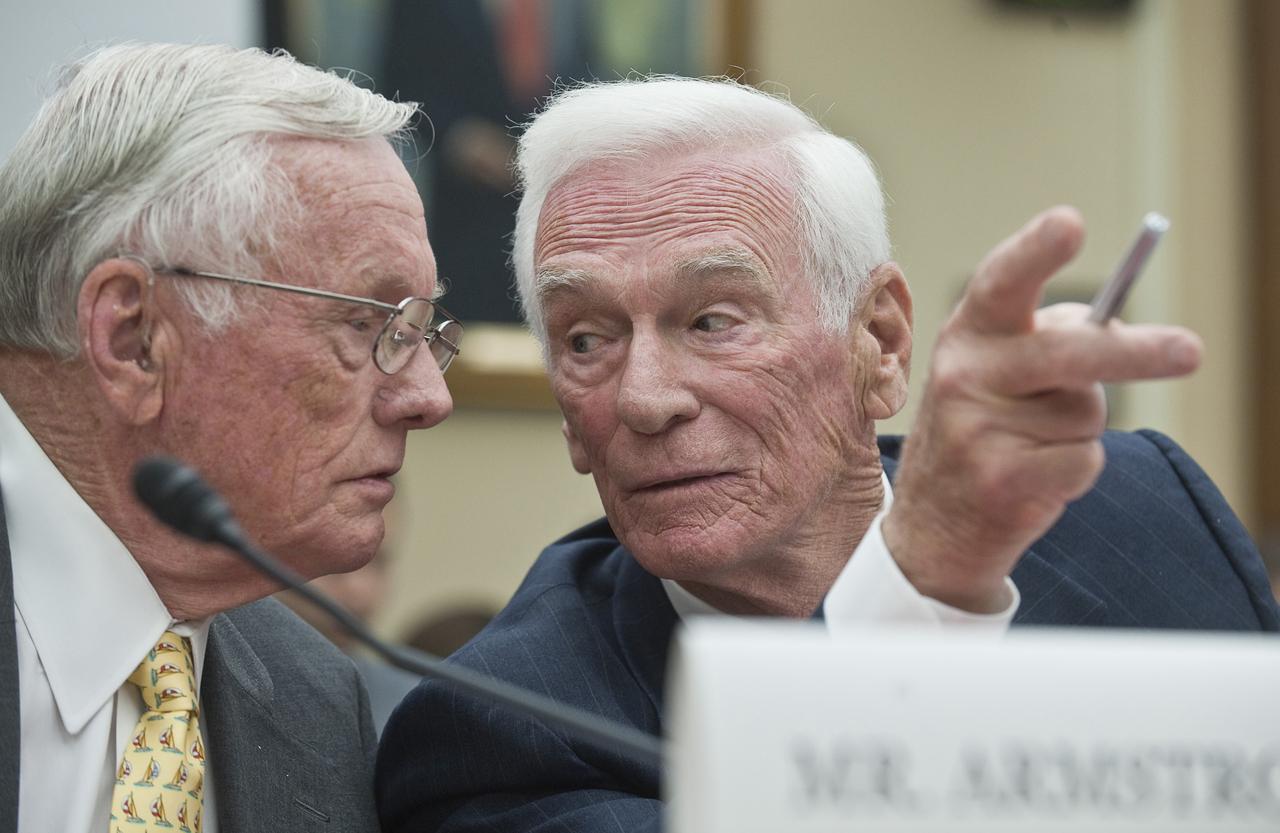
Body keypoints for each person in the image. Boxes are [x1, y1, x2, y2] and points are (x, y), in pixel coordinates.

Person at [376, 77, 1280, 832]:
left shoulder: (1140, 513)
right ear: (569, 418)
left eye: (713, 319)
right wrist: (919, 579)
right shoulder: (503, 730)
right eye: (584, 341)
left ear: (879, 345)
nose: (644, 399)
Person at [0, 42, 457, 833]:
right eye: (368, 322)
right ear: (135, 337)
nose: (429, 396)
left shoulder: (316, 698)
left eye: (424, 330)